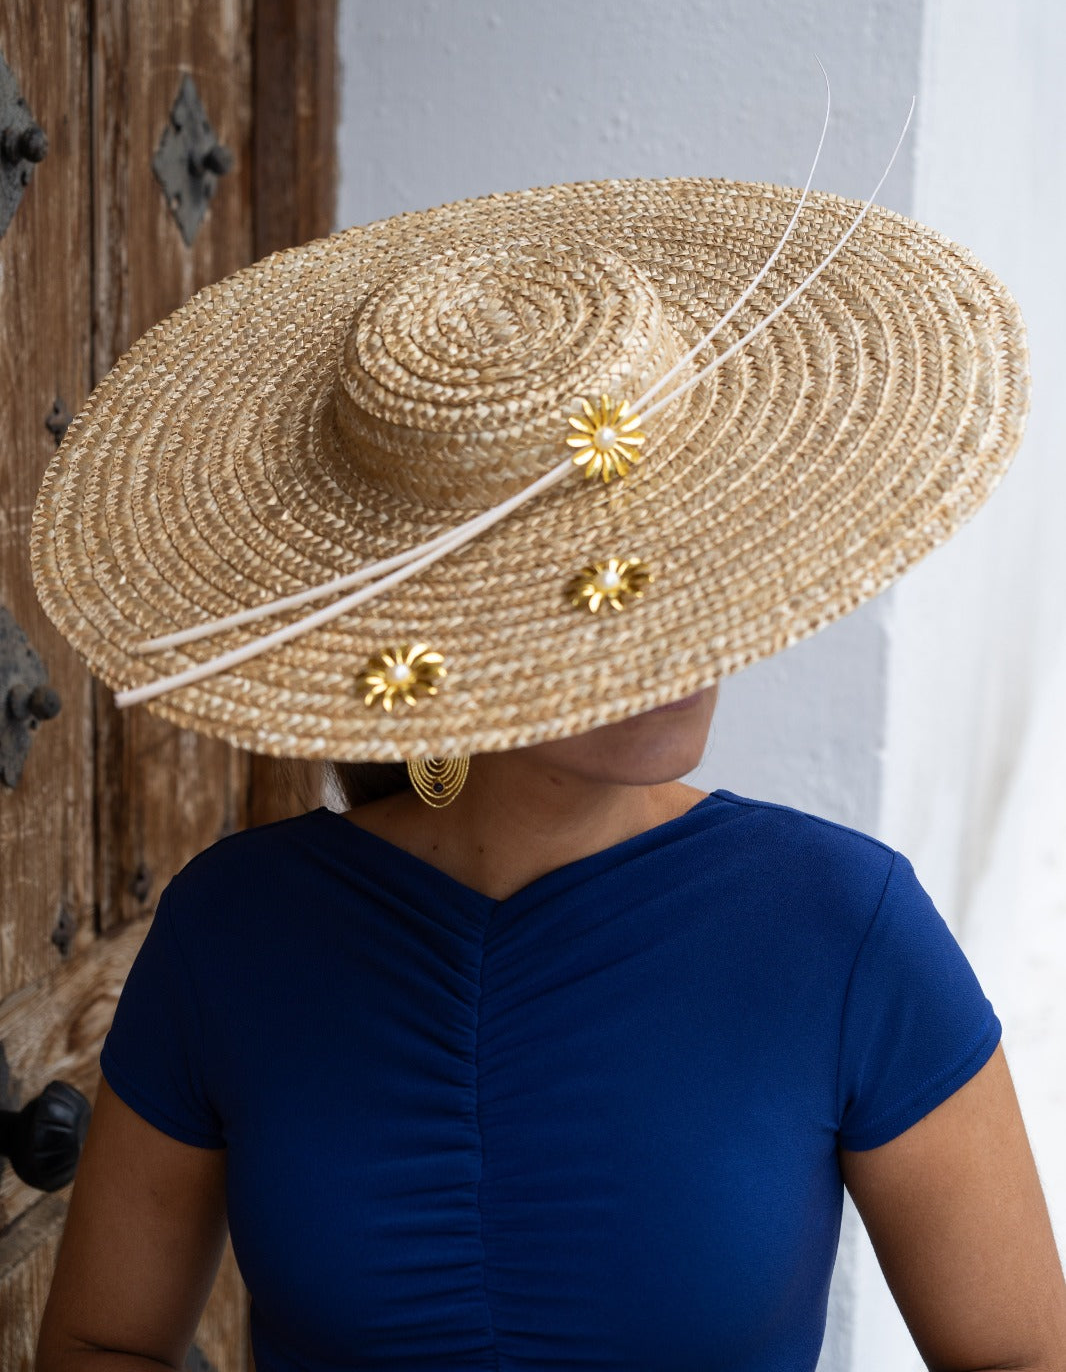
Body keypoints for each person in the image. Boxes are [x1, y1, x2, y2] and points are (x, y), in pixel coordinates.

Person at [29, 135, 1066, 1367]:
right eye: (586, 586)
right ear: (435, 616)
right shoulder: (233, 932)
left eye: (679, 550)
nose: (675, 637)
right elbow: (102, 1341)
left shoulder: (843, 929)